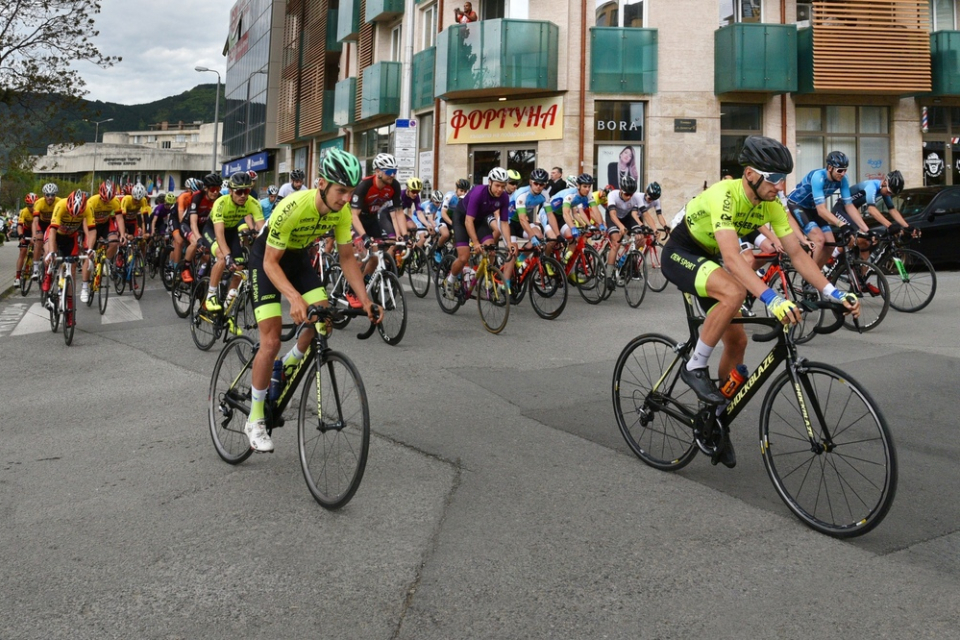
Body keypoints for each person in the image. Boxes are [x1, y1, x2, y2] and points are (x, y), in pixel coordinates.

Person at [659, 136, 860, 467]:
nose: (781, 187)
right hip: (682, 252)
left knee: (736, 341)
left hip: (708, 259)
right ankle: (694, 366)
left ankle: (715, 420)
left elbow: (796, 253)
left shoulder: (771, 205)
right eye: (775, 179)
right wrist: (772, 298)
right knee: (734, 291)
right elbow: (731, 257)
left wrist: (833, 292)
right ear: (751, 173)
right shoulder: (726, 195)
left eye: (785, 179)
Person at [243, 149, 378, 453]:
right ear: (321, 184)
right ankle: (255, 419)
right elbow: (270, 263)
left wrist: (366, 301)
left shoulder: (341, 211)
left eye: (350, 192)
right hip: (267, 259)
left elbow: (346, 258)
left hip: (298, 259)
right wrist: (292, 297)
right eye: (340, 190)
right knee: (271, 339)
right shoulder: (293, 206)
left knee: (324, 318)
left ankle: (288, 363)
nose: (346, 198)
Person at [785, 151, 869, 268]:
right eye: (840, 170)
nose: (843, 173)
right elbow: (821, 210)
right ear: (830, 167)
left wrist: (865, 229)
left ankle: (816, 274)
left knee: (830, 244)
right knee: (819, 239)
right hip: (797, 205)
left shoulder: (843, 180)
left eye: (845, 170)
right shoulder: (818, 177)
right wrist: (841, 224)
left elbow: (849, 206)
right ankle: (810, 276)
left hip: (813, 207)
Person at [443, 167, 515, 299]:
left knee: (491, 249)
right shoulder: (478, 192)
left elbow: (504, 222)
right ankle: (450, 280)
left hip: (480, 220)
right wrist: (475, 243)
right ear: (490, 182)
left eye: (503, 186)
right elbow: (468, 221)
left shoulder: (504, 197)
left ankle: (482, 279)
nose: (500, 189)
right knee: (464, 256)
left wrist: (509, 243)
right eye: (497, 185)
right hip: (462, 218)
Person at [202, 171, 264, 313]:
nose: (243, 195)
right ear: (230, 191)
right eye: (239, 191)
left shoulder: (253, 203)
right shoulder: (221, 203)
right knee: (223, 258)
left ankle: (227, 310)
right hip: (212, 230)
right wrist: (228, 255)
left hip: (232, 232)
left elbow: (263, 231)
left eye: (246, 191)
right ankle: (211, 295)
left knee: (240, 267)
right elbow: (219, 233)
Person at [350, 153, 402, 298]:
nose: (393, 175)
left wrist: (404, 236)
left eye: (395, 171)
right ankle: (351, 287)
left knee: (375, 256)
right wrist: (365, 237)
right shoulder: (364, 186)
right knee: (362, 253)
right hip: (355, 220)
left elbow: (398, 212)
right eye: (390, 171)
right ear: (378, 171)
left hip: (372, 219)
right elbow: (354, 215)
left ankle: (363, 280)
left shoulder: (394, 186)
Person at [832, 170, 912, 263]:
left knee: (865, 244)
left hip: (852, 211)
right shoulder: (872, 186)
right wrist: (890, 226)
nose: (889, 195)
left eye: (892, 194)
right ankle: (833, 254)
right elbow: (872, 210)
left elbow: (892, 210)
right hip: (840, 209)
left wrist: (908, 227)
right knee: (858, 238)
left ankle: (862, 276)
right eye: (889, 191)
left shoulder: (884, 190)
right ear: (885, 182)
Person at [14, 193, 38, 286]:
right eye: (29, 205)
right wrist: (21, 236)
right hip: (26, 231)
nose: (31, 207)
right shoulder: (24, 211)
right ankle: (17, 277)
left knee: (40, 248)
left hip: (36, 231)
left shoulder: (39, 211)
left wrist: (35, 237)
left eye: (33, 205)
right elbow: (20, 226)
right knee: (23, 251)